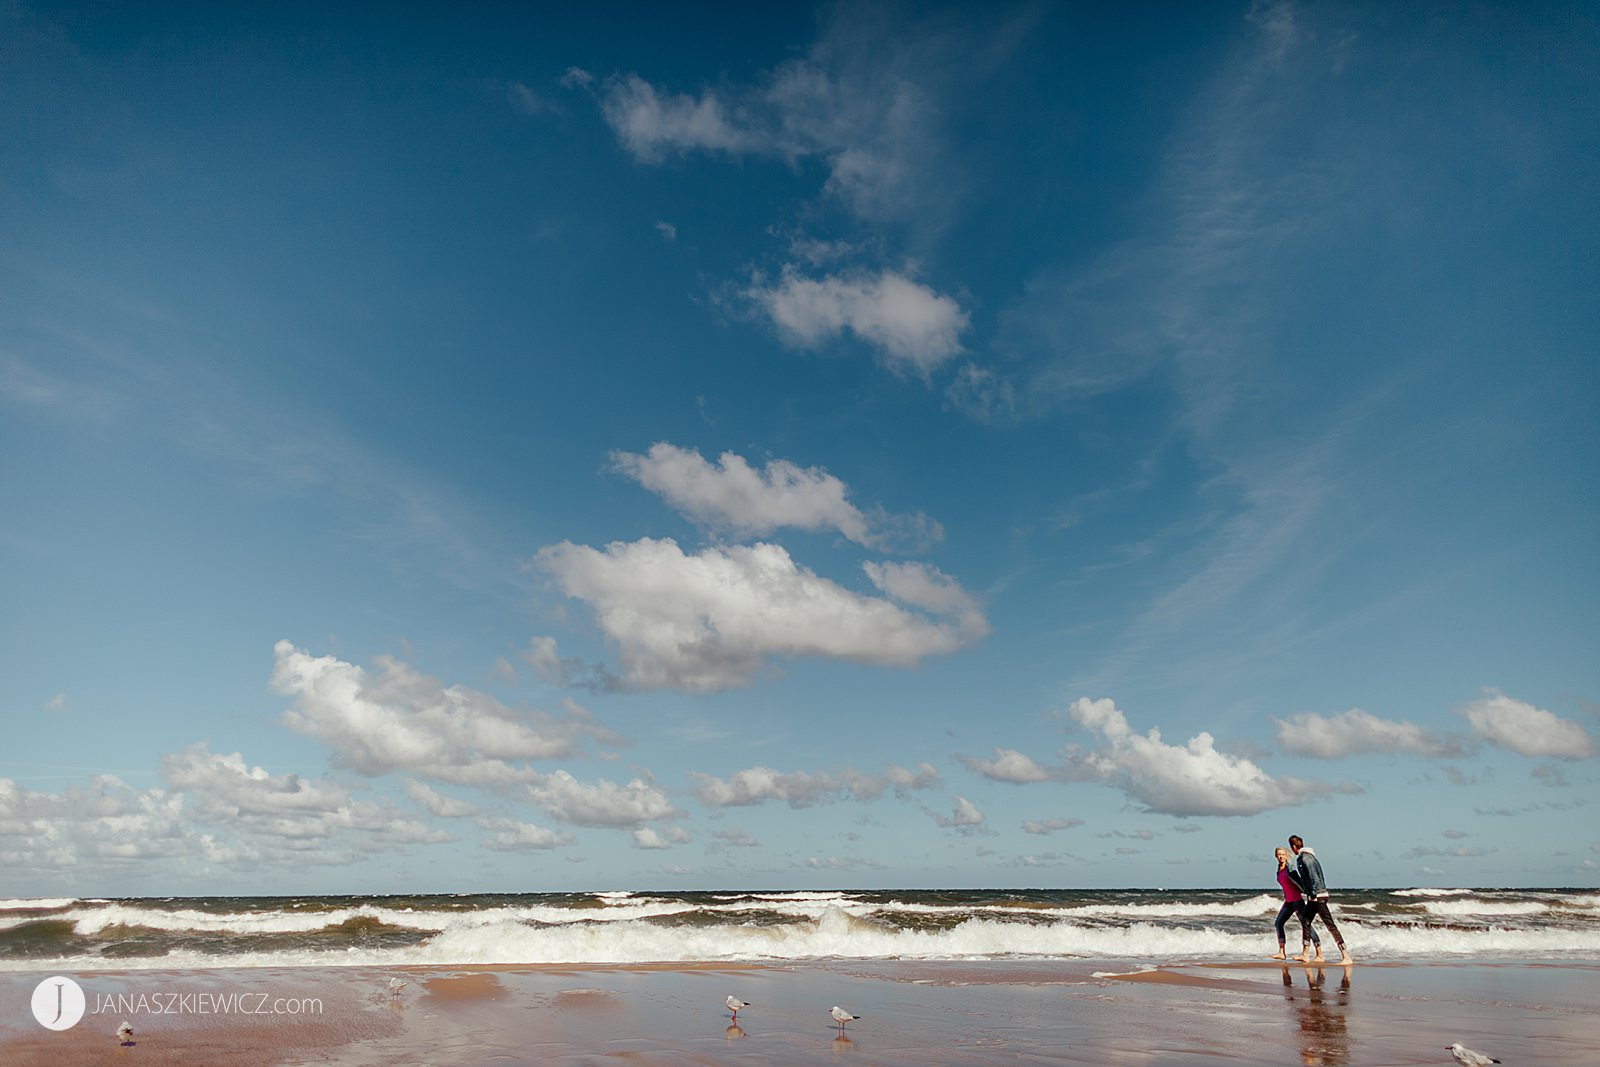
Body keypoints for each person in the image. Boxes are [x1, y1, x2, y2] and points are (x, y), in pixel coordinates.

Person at [1289, 834, 1352, 964]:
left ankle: (1346, 956)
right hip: (1317, 895)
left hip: (1317, 896)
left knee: (1330, 925)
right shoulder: (1309, 857)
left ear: (1294, 847)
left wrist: (1313, 895)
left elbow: (1314, 878)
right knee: (1306, 921)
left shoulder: (1305, 858)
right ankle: (1305, 954)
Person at [1272, 846, 1321, 961]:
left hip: (1297, 902)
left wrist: (1309, 892)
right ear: (1276, 856)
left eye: (1283, 854)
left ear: (1286, 855)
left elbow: (1300, 882)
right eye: (1279, 855)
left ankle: (1319, 952)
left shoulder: (1290, 868)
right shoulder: (1279, 869)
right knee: (1278, 923)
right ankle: (1282, 952)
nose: (1281, 857)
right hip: (1288, 902)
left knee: (1306, 925)